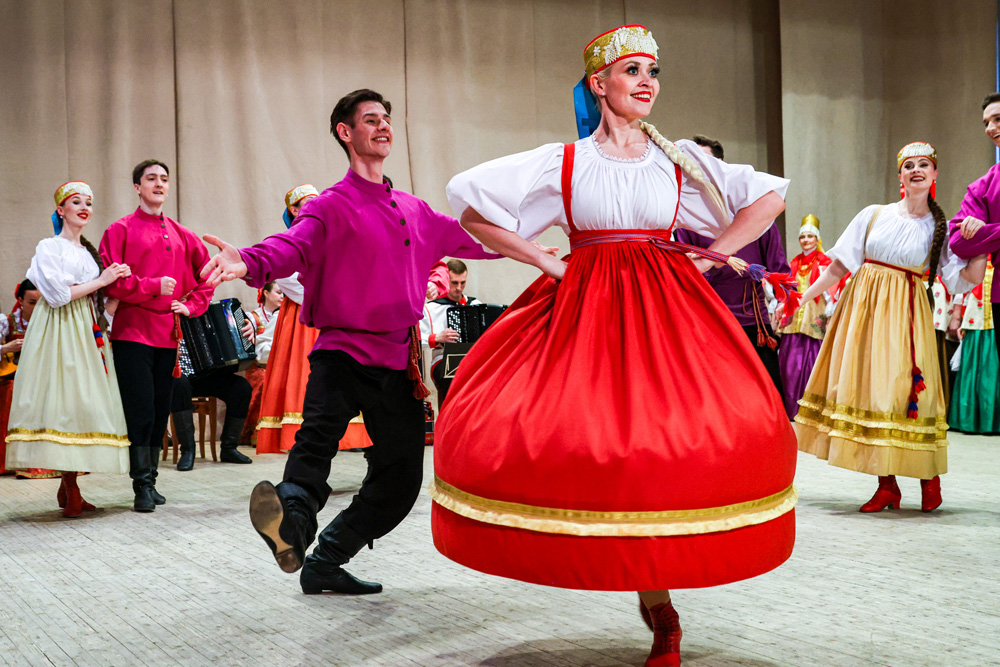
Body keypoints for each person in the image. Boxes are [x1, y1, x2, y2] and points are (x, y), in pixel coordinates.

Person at [434, 25, 797, 667]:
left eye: (653, 71)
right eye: (632, 70)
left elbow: (767, 198)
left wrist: (712, 257)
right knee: (590, 443)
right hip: (587, 308)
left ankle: (661, 602)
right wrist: (547, 263)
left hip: (666, 311)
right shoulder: (565, 162)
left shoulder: (678, 158)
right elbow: (473, 210)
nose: (647, 82)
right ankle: (630, 580)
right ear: (598, 84)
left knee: (671, 446)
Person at [201, 88, 499, 598]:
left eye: (386, 119)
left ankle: (323, 559)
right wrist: (246, 261)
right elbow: (289, 246)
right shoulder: (329, 207)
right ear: (346, 132)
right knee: (314, 447)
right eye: (370, 119)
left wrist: (529, 245)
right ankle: (292, 523)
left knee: (402, 479)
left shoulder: (414, 210)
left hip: (396, 361)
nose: (383, 126)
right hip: (340, 353)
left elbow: (475, 240)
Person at [791, 142, 985, 514]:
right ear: (900, 176)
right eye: (908, 165)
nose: (916, 170)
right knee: (873, 391)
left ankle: (929, 478)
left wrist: (980, 246)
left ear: (934, 174)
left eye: (924, 164)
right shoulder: (873, 214)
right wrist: (803, 297)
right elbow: (839, 265)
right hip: (863, 312)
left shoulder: (941, 228)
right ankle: (887, 485)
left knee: (907, 391)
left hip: (905, 315)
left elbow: (963, 280)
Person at [5, 182, 131, 516]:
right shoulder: (49, 247)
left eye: (89, 202)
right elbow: (59, 296)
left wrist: (114, 288)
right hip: (58, 327)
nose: (84, 207)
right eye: (76, 202)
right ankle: (71, 487)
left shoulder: (88, 253)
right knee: (63, 400)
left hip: (84, 327)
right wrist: (102, 280)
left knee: (82, 403)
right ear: (61, 210)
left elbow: (90, 295)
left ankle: (69, 485)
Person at [99, 159, 214, 512]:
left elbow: (208, 275)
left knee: (160, 408)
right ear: (137, 187)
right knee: (141, 409)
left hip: (167, 335)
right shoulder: (119, 230)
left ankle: (150, 479)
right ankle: (141, 485)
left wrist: (191, 305)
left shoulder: (183, 234)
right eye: (151, 178)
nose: (159, 184)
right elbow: (111, 283)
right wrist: (153, 286)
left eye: (164, 178)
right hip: (132, 333)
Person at [254, 185, 372, 454]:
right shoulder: (288, 241)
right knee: (306, 379)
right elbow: (292, 282)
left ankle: (346, 435)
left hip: (336, 316)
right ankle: (304, 441)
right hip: (304, 319)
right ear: (294, 210)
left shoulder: (334, 239)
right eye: (308, 203)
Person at [948, 93, 1000, 359]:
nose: (990, 128)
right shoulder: (984, 185)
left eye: (997, 119)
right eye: (986, 123)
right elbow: (958, 241)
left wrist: (986, 231)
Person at [776, 215, 841, 418]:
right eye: (802, 236)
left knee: (813, 363)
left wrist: (831, 310)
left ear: (817, 238)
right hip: (794, 319)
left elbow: (833, 288)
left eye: (810, 236)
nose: (805, 240)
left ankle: (811, 411)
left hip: (815, 317)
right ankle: (791, 409)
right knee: (789, 365)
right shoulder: (793, 263)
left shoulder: (825, 262)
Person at [0, 279, 56, 478]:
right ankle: (11, 460)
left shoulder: (52, 322)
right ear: (20, 300)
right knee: (12, 390)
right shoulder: (7, 322)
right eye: (32, 303)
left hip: (44, 377)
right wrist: (6, 348)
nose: (36, 308)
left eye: (41, 303)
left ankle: (50, 460)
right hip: (14, 378)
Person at [418, 259, 481, 408]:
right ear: (445, 280)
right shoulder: (430, 309)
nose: (459, 288)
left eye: (463, 283)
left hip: (472, 358)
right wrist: (437, 338)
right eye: (454, 283)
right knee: (452, 378)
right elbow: (417, 341)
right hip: (442, 359)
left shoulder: (476, 305)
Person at [949, 260, 1000, 432]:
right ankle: (968, 419)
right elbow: (963, 284)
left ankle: (992, 421)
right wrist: (957, 315)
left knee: (993, 365)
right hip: (975, 310)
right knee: (972, 363)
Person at [171, 369, 253, 470]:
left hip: (208, 375)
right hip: (182, 377)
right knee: (179, 382)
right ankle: (187, 451)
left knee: (242, 387)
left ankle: (229, 449)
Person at [239, 281, 283, 447]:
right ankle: (258, 432)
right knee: (267, 381)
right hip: (258, 365)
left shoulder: (286, 315)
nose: (282, 297)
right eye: (278, 292)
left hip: (279, 365)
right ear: (266, 293)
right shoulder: (252, 317)